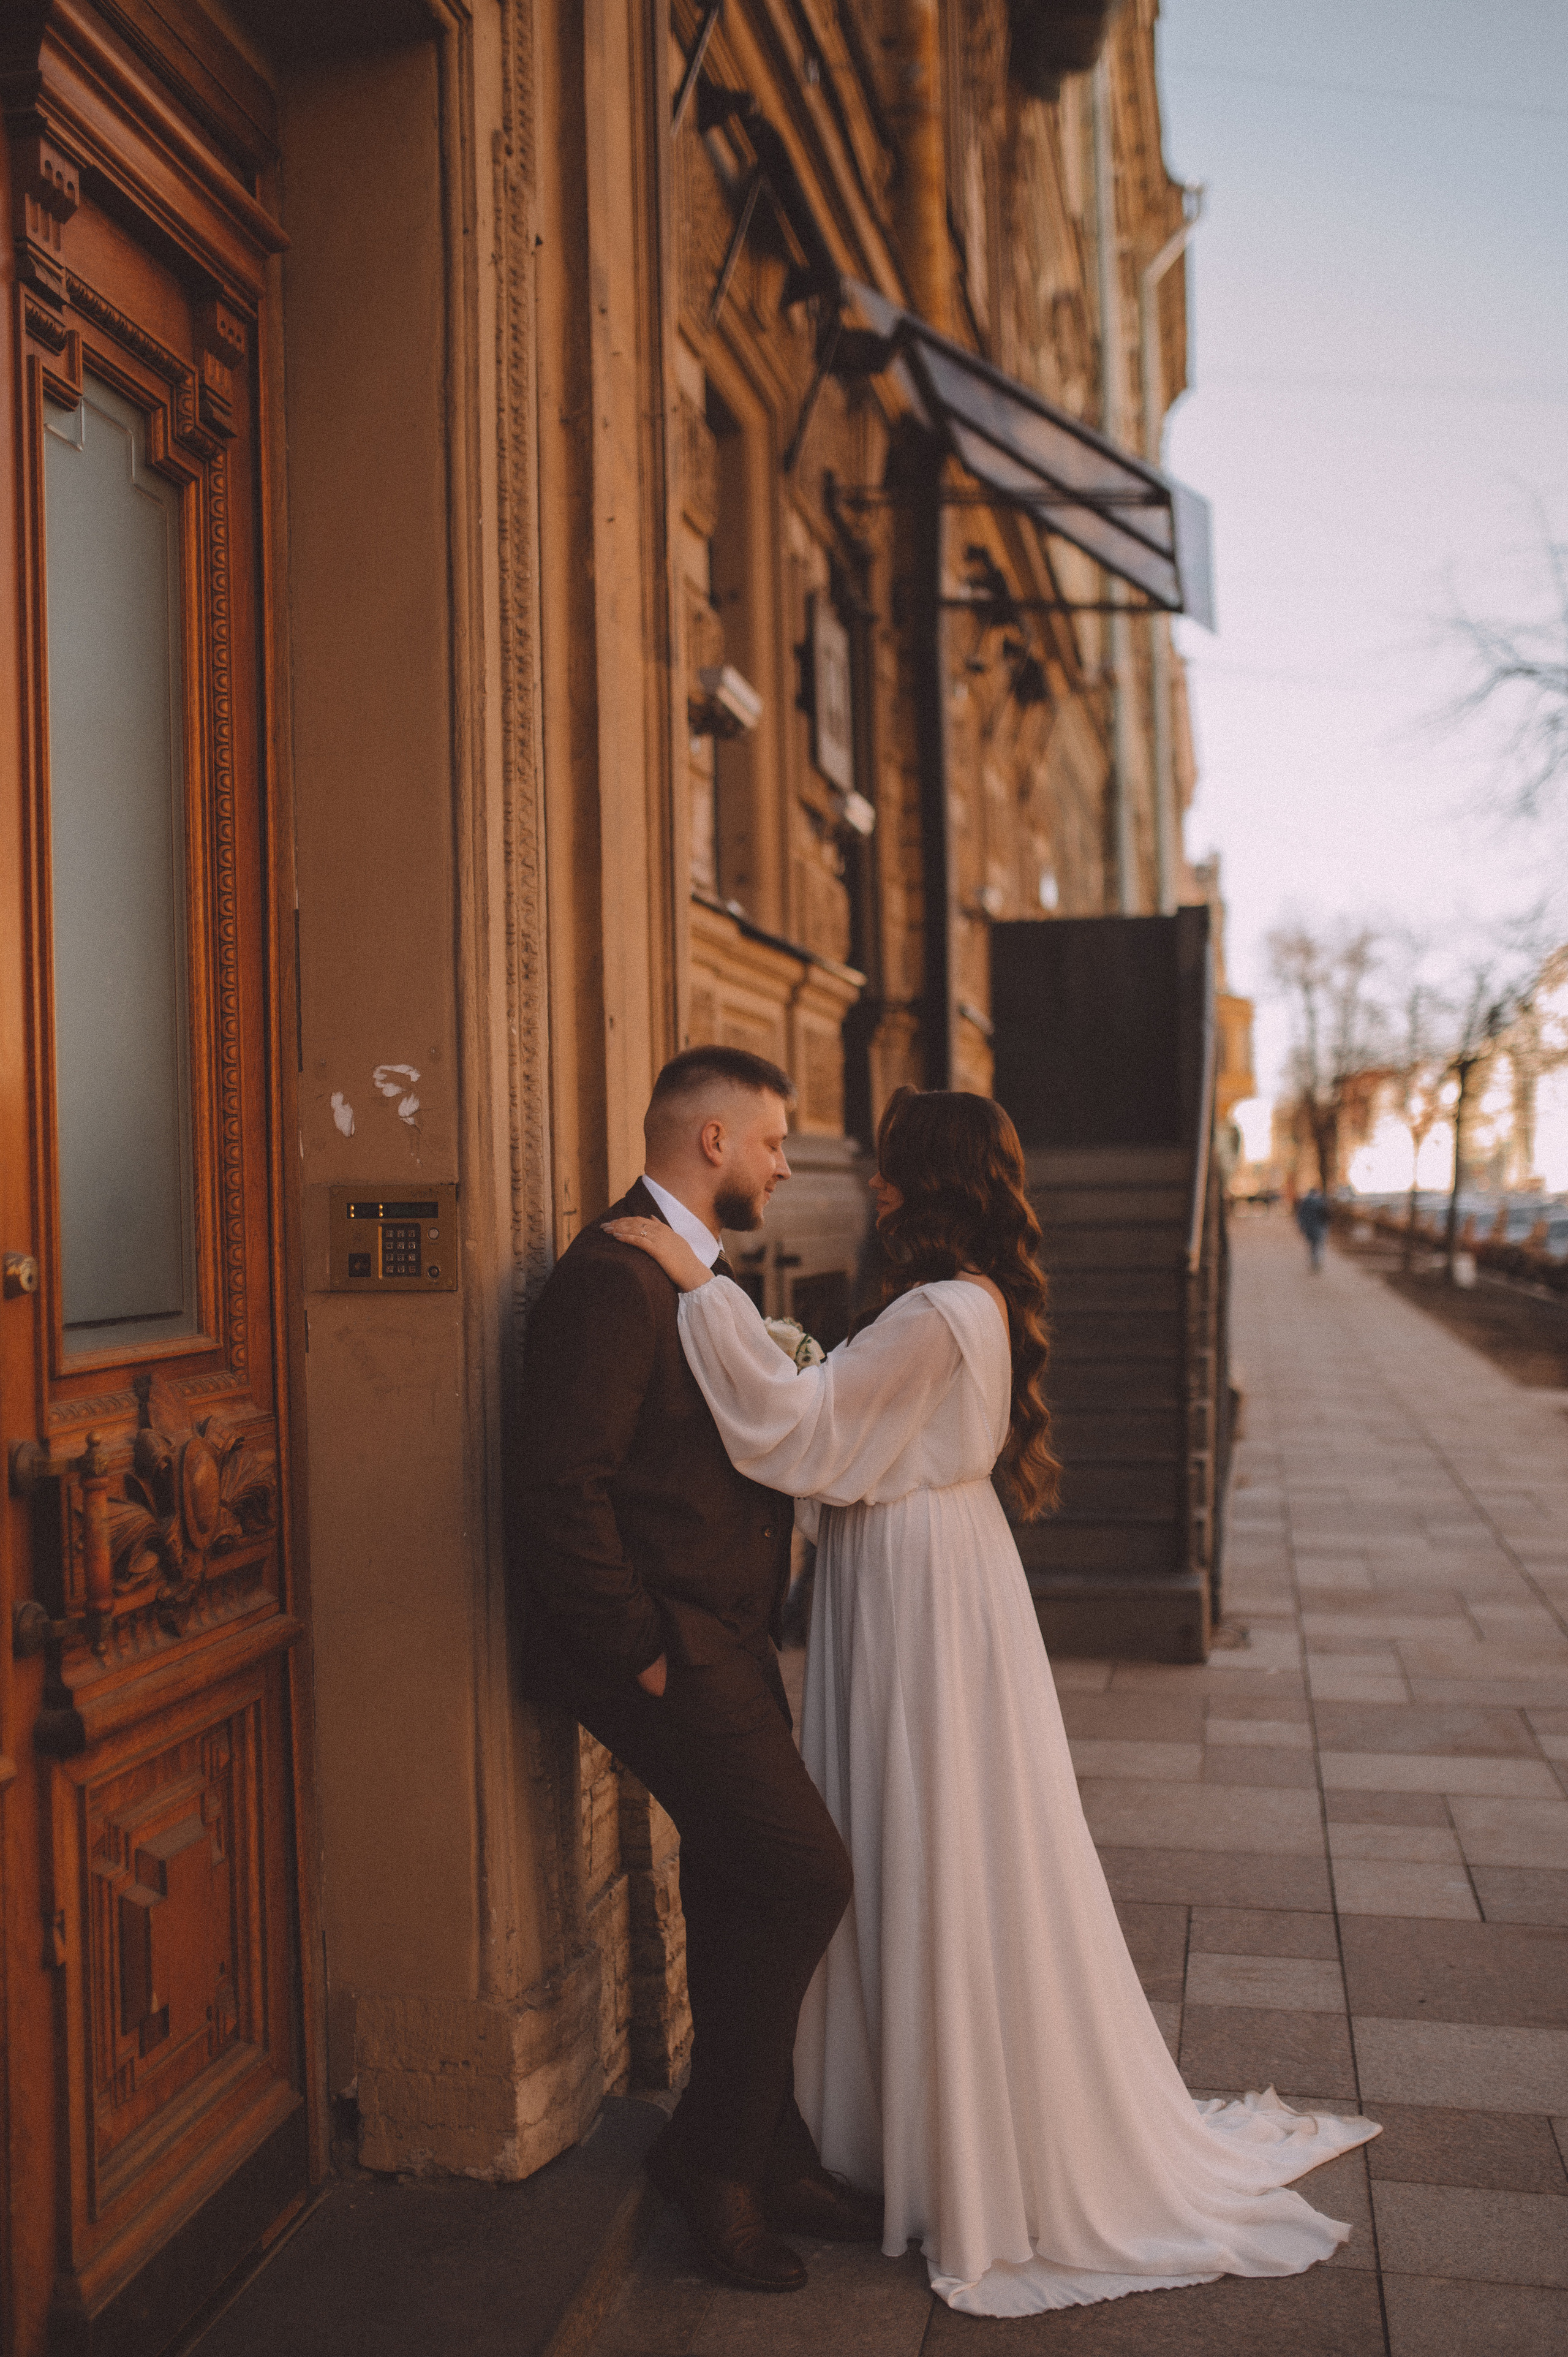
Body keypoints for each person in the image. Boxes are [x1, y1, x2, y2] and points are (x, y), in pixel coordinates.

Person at [606, 1085, 1379, 2318]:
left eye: (892, 1167)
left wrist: (699, 1289)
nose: (872, 1184)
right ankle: (885, 2125)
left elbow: (799, 1425)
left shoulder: (935, 1310)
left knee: (928, 1838)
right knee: (913, 1837)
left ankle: (935, 2137)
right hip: (918, 1569)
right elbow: (840, 1414)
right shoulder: (956, 1304)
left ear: (929, 1181)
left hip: (915, 1586)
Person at [513, 1046, 881, 2296]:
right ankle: (710, 2161)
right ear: (712, 1141)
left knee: (738, 1889)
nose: (786, 1161)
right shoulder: (613, 1278)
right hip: (670, 1651)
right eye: (774, 1140)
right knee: (802, 1873)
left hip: (723, 1639)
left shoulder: (692, 1270)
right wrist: (641, 1656)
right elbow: (561, 1486)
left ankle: (770, 2154)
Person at [1295, 1186, 1332, 1271]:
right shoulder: (1322, 1201)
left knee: (1313, 1246)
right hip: (1321, 1226)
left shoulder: (1306, 1202)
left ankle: (1315, 1261)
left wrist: (1302, 1225)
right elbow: (1328, 1215)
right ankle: (1318, 1260)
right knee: (1320, 1244)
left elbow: (1301, 1215)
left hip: (1310, 1227)